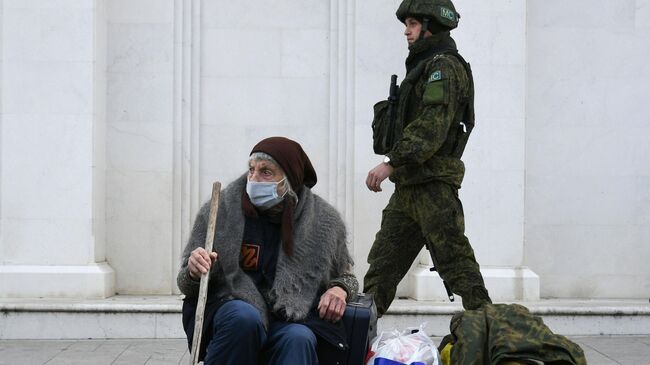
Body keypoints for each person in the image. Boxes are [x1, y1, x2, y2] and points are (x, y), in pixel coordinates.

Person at [177, 136, 358, 365]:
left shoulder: (325, 221)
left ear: (290, 179)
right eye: (251, 170)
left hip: (288, 318)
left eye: (266, 172)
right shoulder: (219, 209)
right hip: (231, 312)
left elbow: (347, 277)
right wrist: (193, 271)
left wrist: (340, 289)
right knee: (245, 318)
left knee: (299, 338)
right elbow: (185, 283)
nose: (253, 179)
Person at [363, 0, 491, 316]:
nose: (406, 32)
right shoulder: (424, 67)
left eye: (413, 24)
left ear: (430, 26)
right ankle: (353, 344)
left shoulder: (444, 68)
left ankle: (493, 339)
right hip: (409, 188)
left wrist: (390, 161)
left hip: (433, 188)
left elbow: (431, 128)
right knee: (380, 270)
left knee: (459, 268)